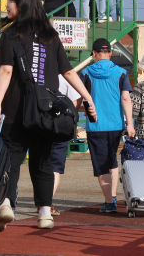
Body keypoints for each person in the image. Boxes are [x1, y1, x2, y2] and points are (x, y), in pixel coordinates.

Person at [0, 0, 96, 230]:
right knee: (43, 162)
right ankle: (45, 212)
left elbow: (5, 71)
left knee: (10, 160)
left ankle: (5, 204)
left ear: (22, 5)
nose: (6, 7)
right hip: (46, 113)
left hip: (16, 110)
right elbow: (67, 71)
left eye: (10, 2)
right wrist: (88, 97)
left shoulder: (11, 34)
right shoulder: (51, 35)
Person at [79, 38, 135, 213]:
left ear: (94, 54)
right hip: (116, 125)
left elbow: (80, 98)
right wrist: (130, 124)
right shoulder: (121, 73)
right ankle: (113, 196)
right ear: (110, 53)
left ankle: (109, 203)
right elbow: (126, 99)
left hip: (95, 126)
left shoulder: (86, 73)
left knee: (101, 166)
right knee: (112, 161)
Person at [47, 75, 81, 216]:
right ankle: (46, 203)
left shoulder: (36, 73)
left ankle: (43, 201)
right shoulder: (65, 76)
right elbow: (77, 98)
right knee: (55, 166)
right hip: (60, 126)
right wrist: (70, 116)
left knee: (40, 164)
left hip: (39, 124)